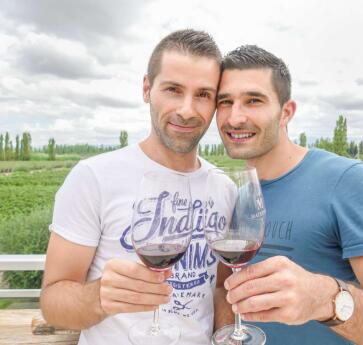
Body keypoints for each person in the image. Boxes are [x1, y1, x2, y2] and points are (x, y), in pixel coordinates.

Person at [215, 45, 363, 344]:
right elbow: (224, 288)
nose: (235, 118)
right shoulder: (237, 193)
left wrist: (324, 299)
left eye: (253, 100)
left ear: (286, 112)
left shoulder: (345, 180)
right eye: (225, 102)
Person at [40, 29, 229, 345]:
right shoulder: (93, 177)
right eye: (173, 89)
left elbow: (220, 288)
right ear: (147, 89)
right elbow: (52, 303)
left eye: (203, 94)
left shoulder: (224, 188)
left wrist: (226, 335)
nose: (186, 109)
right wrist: (98, 297)